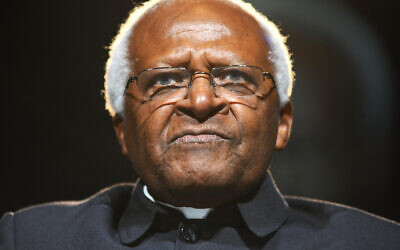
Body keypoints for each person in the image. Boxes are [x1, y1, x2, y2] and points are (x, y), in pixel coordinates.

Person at [1, 0, 399, 249]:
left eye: (235, 78)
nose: (202, 101)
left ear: (282, 123)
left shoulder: (375, 243)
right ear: (122, 128)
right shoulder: (29, 238)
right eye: (165, 81)